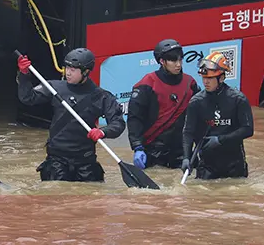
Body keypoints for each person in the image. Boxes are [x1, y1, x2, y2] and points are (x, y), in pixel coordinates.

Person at [16, 48, 125, 182]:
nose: (68, 72)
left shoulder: (101, 97)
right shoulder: (54, 87)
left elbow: (118, 123)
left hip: (85, 161)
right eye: (67, 67)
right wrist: (24, 75)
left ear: (86, 72)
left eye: (73, 70)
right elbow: (28, 98)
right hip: (57, 160)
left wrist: (103, 132)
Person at [128, 39, 200, 170]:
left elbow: (199, 117)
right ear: (162, 61)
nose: (178, 65)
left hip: (181, 150)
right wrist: (137, 146)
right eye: (173, 61)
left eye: (180, 60)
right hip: (153, 150)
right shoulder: (147, 84)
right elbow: (135, 118)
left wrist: (200, 144)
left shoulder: (190, 83)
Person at [181, 52, 253, 180]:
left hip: (234, 165)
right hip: (207, 165)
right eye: (204, 78)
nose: (205, 82)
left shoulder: (238, 99)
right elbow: (188, 132)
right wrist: (186, 157)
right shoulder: (196, 102)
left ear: (221, 78)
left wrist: (220, 139)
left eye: (210, 78)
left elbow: (248, 130)